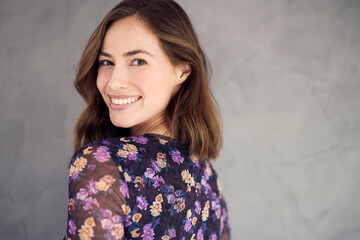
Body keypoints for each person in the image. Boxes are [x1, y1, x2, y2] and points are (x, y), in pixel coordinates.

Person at [64, 0, 231, 239]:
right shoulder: (207, 175)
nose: (114, 82)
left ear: (182, 70)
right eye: (107, 62)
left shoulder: (102, 165)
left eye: (138, 61)